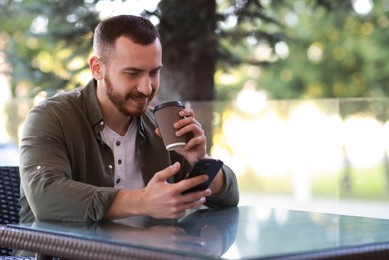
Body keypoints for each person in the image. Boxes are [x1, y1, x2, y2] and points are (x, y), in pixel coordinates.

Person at [19, 14, 239, 223]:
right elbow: (45, 196)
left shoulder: (160, 125)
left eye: (154, 72)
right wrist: (142, 202)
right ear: (97, 68)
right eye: (132, 73)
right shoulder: (51, 117)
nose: (146, 88)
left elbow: (229, 197)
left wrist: (201, 160)